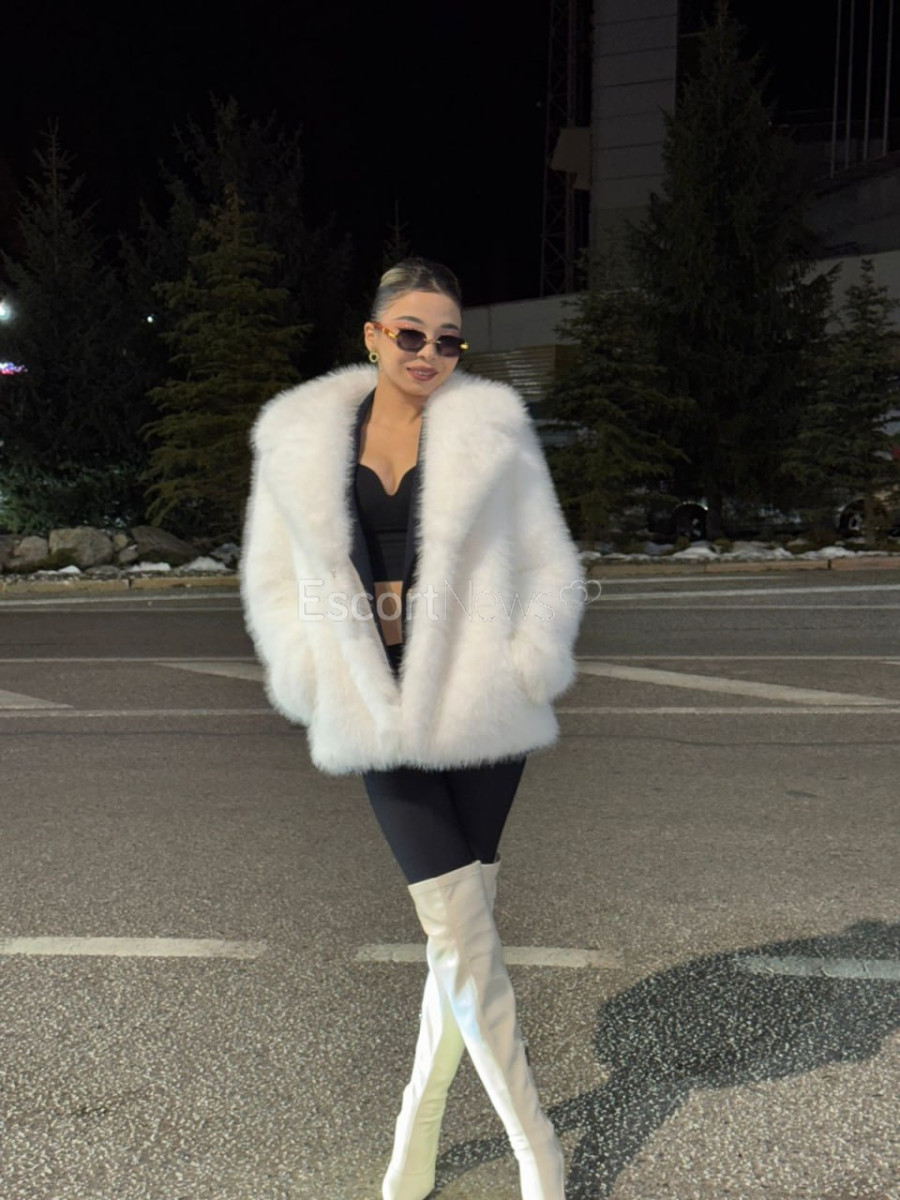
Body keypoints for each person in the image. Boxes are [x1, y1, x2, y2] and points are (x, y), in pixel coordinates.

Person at [241, 258, 584, 1200]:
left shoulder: (491, 428)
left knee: (460, 935)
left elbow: (549, 562)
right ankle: (537, 1149)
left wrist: (528, 659)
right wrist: (310, 673)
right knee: (455, 923)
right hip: (377, 707)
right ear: (373, 335)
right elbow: (273, 578)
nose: (430, 353)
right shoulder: (299, 437)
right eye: (411, 334)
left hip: (480, 707)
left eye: (448, 340)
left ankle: (417, 1131)